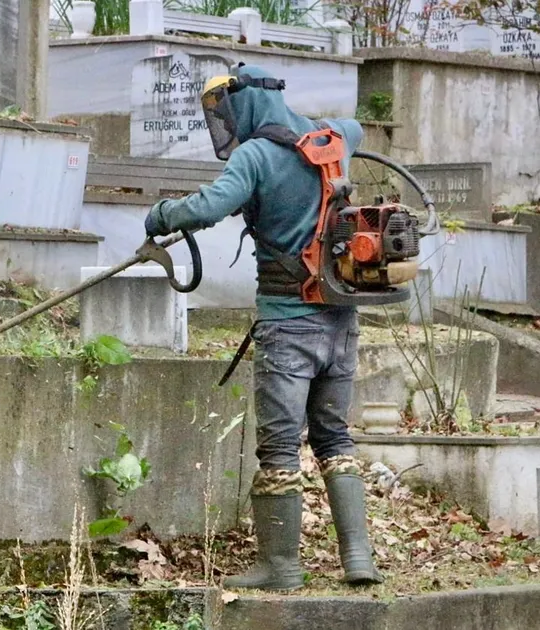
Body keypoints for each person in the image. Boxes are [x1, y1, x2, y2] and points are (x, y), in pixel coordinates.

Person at [143, 63, 384, 591]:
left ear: (243, 103)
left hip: (287, 325)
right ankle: (358, 559)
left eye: (224, 109)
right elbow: (358, 128)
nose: (223, 121)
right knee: (334, 436)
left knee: (279, 448)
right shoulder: (332, 136)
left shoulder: (255, 155)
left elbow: (210, 207)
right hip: (341, 320)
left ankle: (282, 567)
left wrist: (160, 217)